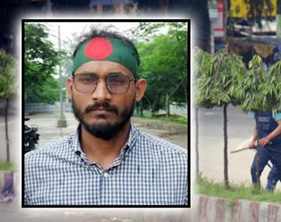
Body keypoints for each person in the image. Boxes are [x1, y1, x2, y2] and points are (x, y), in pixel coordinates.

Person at [23, 26, 188, 206]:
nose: (101, 95)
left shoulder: (181, 169)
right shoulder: (31, 169)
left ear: (138, 90)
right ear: (70, 89)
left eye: (116, 81)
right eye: (87, 80)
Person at [249, 110, 281, 190]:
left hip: (278, 146)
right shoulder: (257, 111)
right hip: (264, 146)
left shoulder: (275, 110)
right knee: (255, 169)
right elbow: (257, 127)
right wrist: (253, 141)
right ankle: (256, 192)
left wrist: (268, 138)